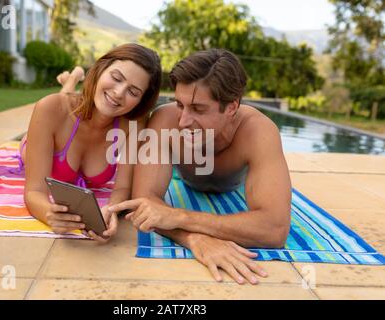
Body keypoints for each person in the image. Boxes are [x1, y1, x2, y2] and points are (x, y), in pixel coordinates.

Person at [109, 49, 292, 284]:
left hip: (232, 187)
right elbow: (145, 202)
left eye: (198, 109)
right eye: (179, 104)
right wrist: (194, 239)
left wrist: (179, 217)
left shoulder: (258, 132)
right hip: (182, 177)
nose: (183, 121)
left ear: (232, 107)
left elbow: (274, 229)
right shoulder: (165, 120)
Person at [18, 43, 161, 242]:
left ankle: (71, 80)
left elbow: (121, 188)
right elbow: (34, 191)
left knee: (68, 103)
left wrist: (110, 211)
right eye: (116, 78)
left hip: (72, 116)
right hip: (41, 137)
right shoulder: (48, 109)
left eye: (134, 92)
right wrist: (50, 214)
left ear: (141, 101)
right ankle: (73, 80)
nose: (119, 92)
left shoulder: (133, 124)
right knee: (62, 102)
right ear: (100, 70)